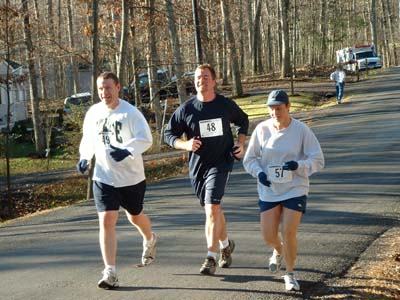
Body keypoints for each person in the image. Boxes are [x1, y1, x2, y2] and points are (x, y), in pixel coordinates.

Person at [164, 64, 249, 275]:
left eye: (205, 76)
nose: (201, 80)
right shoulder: (186, 109)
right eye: (198, 77)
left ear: (214, 81)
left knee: (212, 208)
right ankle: (225, 245)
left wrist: (240, 143)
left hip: (221, 163)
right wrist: (185, 144)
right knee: (213, 210)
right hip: (197, 167)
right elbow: (168, 135)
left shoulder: (224, 105)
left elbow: (243, 120)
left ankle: (210, 257)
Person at [76, 71, 157, 289]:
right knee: (106, 220)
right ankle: (110, 271)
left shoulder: (130, 113)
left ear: (118, 87)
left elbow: (145, 138)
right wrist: (85, 158)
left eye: (108, 88)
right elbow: (88, 139)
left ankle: (149, 238)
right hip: (104, 177)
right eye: (101, 89)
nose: (104, 93)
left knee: (135, 216)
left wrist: (127, 151)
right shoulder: (93, 113)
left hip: (131, 178)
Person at [243, 90, 324, 291]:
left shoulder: (301, 130)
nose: (275, 112)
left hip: (295, 188)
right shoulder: (262, 130)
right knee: (268, 235)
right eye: (271, 108)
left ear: (288, 107)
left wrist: (298, 165)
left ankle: (290, 274)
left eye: (279, 108)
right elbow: (249, 159)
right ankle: (278, 250)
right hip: (269, 190)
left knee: (288, 232)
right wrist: (259, 173)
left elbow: (318, 160)